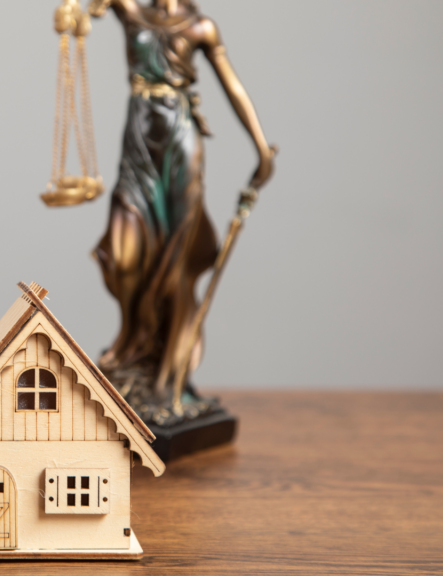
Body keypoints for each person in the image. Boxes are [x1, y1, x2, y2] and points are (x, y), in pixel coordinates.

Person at [87, 0, 275, 420]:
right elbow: (85, 12)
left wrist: (261, 148)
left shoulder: (200, 27)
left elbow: (233, 88)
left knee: (177, 261)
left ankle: (166, 379)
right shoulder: (131, 11)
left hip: (180, 142)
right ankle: (133, 348)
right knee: (123, 254)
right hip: (138, 140)